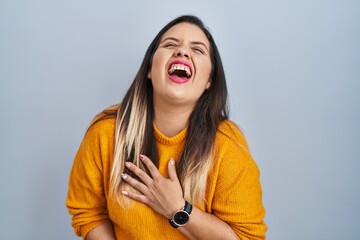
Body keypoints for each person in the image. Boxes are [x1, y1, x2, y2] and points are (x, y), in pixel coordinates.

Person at [66, 15, 267, 240]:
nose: (182, 52)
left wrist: (178, 209)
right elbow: (88, 213)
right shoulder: (105, 132)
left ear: (210, 80)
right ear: (150, 70)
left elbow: (247, 238)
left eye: (198, 50)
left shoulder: (227, 146)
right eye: (170, 44)